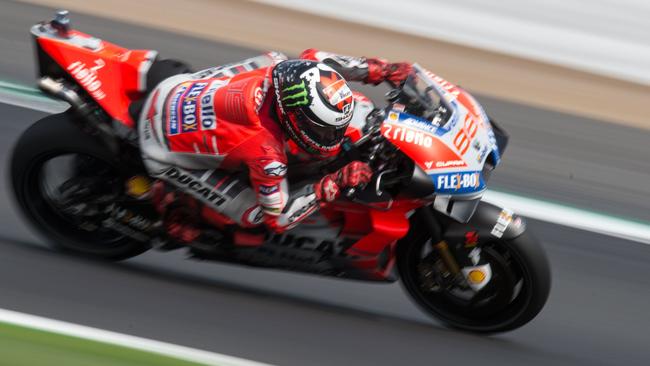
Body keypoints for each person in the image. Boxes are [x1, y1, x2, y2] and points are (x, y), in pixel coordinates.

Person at [138, 49, 412, 244]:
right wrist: (334, 182)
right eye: (322, 128)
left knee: (274, 58)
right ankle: (179, 206)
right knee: (254, 214)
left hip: (175, 89)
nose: (331, 135)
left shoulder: (286, 73)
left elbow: (316, 58)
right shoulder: (267, 154)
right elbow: (278, 220)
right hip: (160, 148)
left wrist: (380, 70)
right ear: (291, 117)